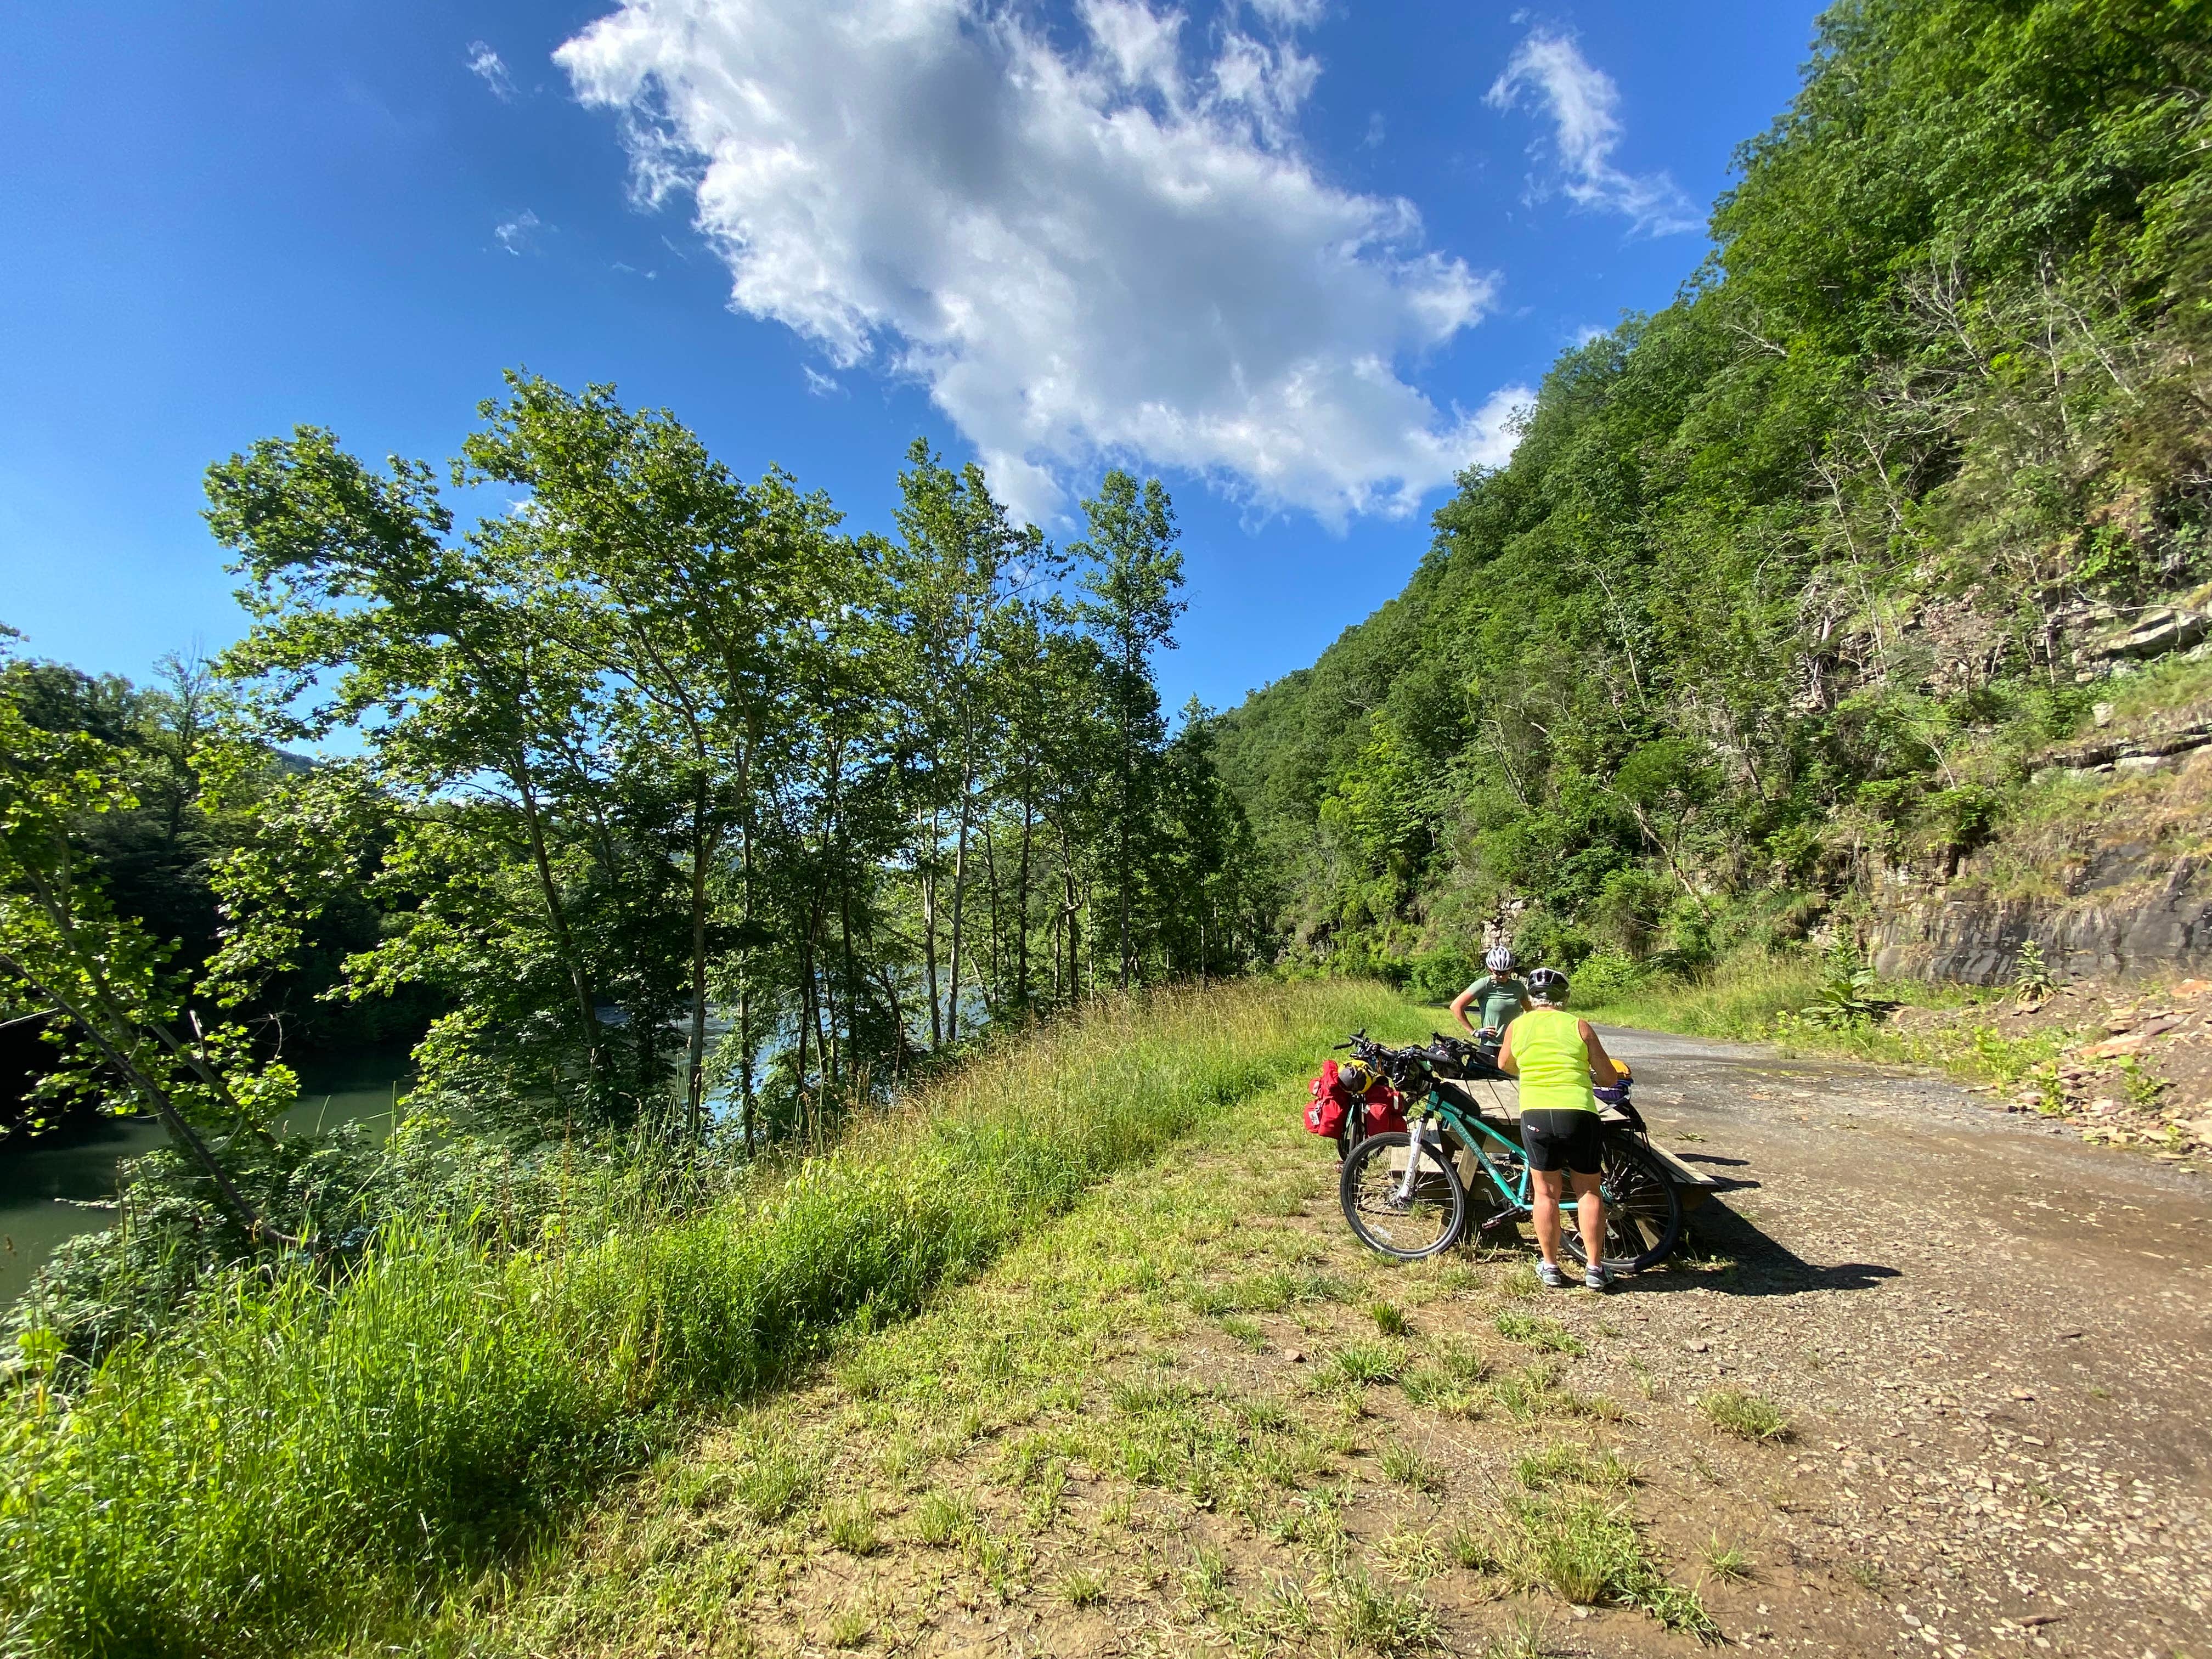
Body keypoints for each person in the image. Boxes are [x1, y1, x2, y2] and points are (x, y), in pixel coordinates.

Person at [1497, 966, 1623, 1291]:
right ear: (1563, 998)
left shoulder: (1518, 1025)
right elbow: (1609, 1078)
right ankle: (1595, 1269)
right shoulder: (1579, 1025)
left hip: (1536, 1112)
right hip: (1579, 1113)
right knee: (1589, 1192)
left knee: (1545, 1193)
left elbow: (1505, 1064)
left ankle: (1551, 1266)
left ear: (1532, 998)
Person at [1449, 945, 1531, 1043]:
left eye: (1505, 972)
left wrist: (1522, 1027)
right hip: (1491, 1045)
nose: (1501, 976)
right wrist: (1474, 1032)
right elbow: (1456, 1007)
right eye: (1497, 972)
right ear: (1490, 970)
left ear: (1511, 969)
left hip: (1513, 1044)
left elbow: (1529, 1011)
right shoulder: (1484, 984)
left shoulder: (1518, 987)